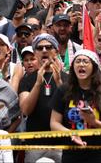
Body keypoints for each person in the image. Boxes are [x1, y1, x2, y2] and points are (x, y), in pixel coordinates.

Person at [50, 49, 101, 163]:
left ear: (94, 67)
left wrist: (95, 122)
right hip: (72, 154)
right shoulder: (63, 90)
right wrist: (71, 134)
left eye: (85, 61)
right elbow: (54, 123)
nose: (81, 64)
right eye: (78, 61)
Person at [19, 34, 66, 163]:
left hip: (62, 144)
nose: (44, 50)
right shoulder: (27, 80)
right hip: (35, 144)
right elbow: (25, 110)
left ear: (56, 51)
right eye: (40, 48)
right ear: (35, 53)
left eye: (48, 47)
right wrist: (38, 83)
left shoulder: (67, 78)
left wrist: (60, 82)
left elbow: (70, 109)